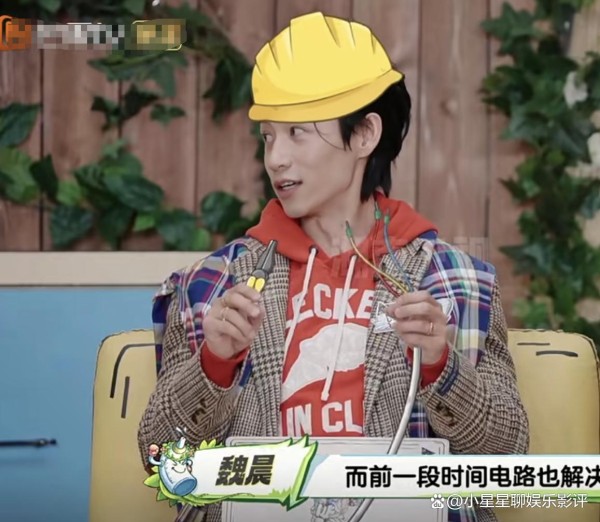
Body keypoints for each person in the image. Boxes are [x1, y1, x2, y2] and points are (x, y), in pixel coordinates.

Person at [138, 11, 529, 522]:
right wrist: (214, 363)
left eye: (297, 133)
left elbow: (509, 466)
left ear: (364, 134)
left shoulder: (458, 284)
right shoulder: (209, 287)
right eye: (268, 136)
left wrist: (440, 363)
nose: (276, 158)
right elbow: (163, 467)